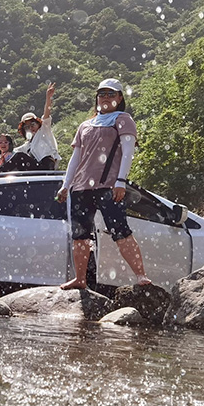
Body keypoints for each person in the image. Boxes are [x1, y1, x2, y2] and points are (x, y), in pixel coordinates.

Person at [56, 78, 151, 289]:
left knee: (120, 231)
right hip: (81, 187)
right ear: (97, 98)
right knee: (80, 235)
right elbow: (76, 158)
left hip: (108, 186)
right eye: (102, 94)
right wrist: (66, 185)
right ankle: (80, 279)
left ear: (120, 97)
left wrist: (121, 181)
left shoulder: (123, 120)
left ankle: (141, 275)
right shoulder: (85, 125)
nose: (106, 98)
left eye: (111, 94)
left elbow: (128, 152)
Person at [13, 82, 61, 170]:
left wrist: (48, 98)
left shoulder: (43, 131)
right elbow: (13, 152)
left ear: (38, 124)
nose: (31, 128)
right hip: (38, 168)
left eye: (32, 125)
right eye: (27, 127)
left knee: (19, 156)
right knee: (18, 157)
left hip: (47, 165)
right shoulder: (27, 146)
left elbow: (46, 114)